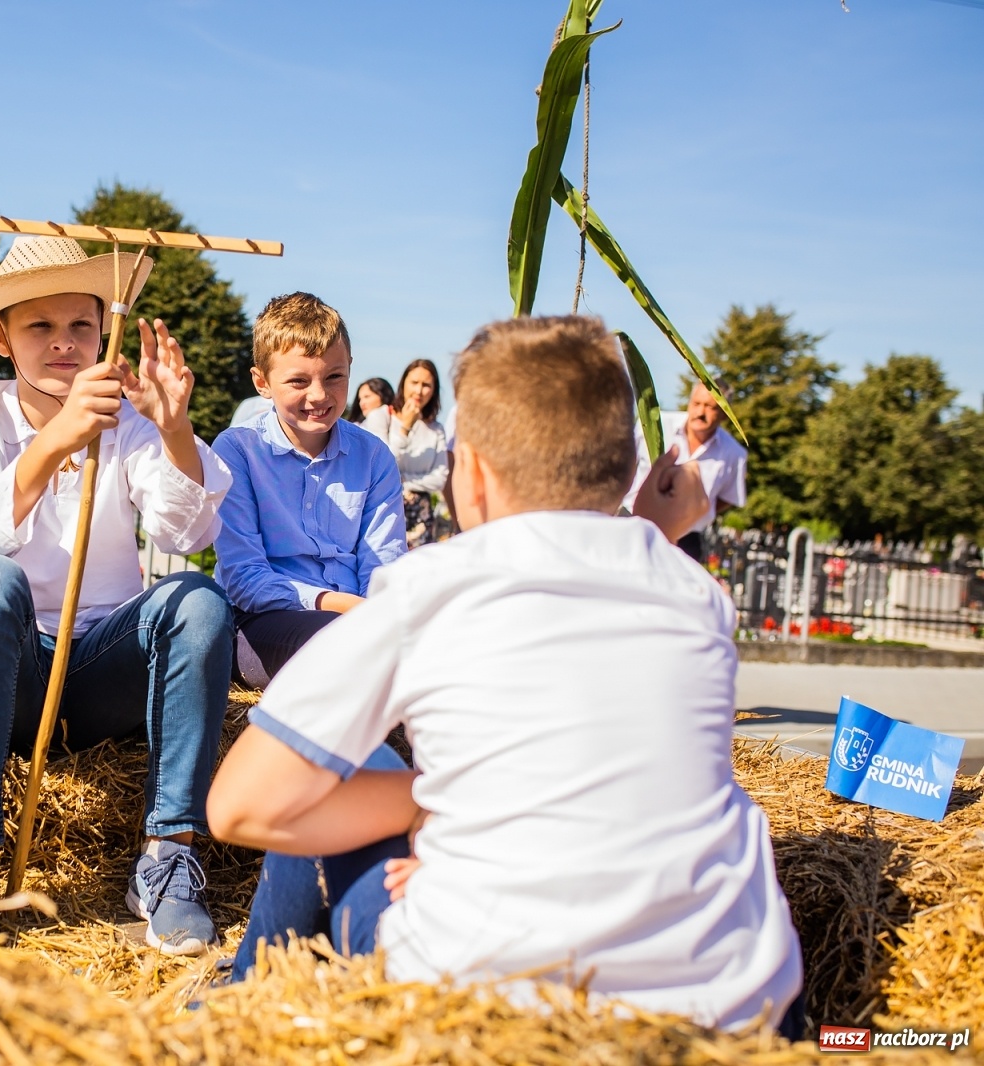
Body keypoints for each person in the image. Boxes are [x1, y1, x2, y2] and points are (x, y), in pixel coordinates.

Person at [208, 315, 802, 1035]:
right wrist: (659, 530)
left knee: (342, 762)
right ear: (623, 471)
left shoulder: (432, 591)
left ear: (473, 473)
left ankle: (239, 1016)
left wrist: (430, 803)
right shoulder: (697, 596)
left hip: (493, 1003)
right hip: (737, 1012)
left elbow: (240, 808)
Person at [0, 235, 236, 955]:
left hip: (100, 670)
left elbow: (186, 531)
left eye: (80, 327)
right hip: (9, 669)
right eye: (40, 327)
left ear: (104, 332)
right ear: (1, 336)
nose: (64, 344)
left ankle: (167, 856)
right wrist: (56, 439)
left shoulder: (135, 423)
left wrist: (176, 429)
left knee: (198, 598)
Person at [211, 293, 406, 688]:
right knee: (341, 647)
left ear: (350, 369)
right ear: (262, 382)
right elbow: (245, 578)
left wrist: (375, 612)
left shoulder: (373, 457)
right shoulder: (238, 451)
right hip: (262, 622)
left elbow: (382, 562)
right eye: (298, 381)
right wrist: (337, 605)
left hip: (360, 615)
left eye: (334, 377)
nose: (319, 395)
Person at [627, 379, 747, 562]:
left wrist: (696, 510)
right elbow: (626, 461)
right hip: (633, 524)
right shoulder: (654, 423)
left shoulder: (734, 454)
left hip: (686, 539)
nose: (700, 412)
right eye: (697, 403)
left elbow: (727, 498)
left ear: (724, 414)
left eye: (710, 407)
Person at [363, 359, 448, 548]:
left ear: (434, 390)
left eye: (426, 385)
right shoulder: (381, 416)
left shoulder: (435, 429)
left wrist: (404, 480)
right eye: (414, 383)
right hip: (385, 508)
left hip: (421, 519)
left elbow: (439, 478)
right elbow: (382, 464)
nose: (419, 391)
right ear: (403, 383)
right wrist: (405, 428)